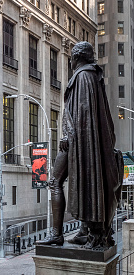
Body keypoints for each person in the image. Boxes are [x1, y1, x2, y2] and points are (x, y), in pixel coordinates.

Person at [36, 41, 123, 250]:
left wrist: (68, 134)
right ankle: (85, 231)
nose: (70, 61)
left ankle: (57, 235)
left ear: (77, 57)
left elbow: (83, 113)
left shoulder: (84, 75)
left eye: (72, 57)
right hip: (81, 142)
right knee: (80, 181)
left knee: (55, 181)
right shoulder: (91, 75)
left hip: (76, 142)